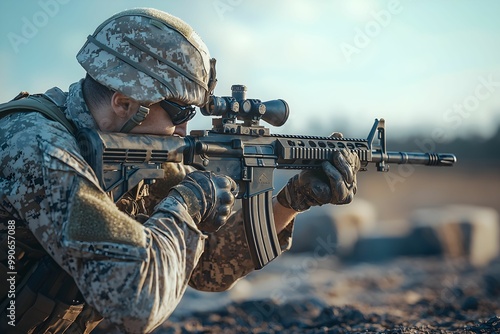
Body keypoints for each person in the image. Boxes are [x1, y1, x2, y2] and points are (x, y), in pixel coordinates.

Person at [0, 7, 360, 334]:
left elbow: (209, 267)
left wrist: (292, 200)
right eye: (181, 113)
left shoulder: (134, 154)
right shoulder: (35, 146)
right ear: (126, 103)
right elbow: (137, 302)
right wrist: (186, 205)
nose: (186, 130)